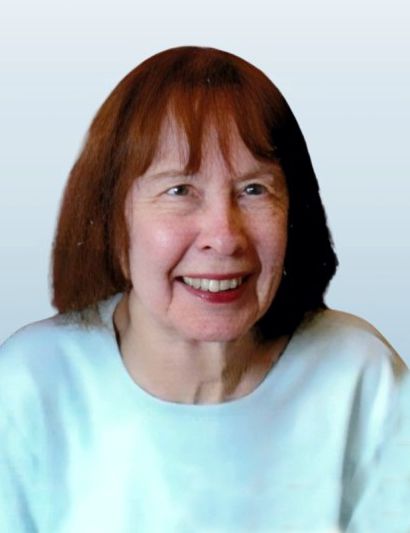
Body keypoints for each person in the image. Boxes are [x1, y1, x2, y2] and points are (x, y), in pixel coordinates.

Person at [0, 46, 407, 532]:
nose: (225, 236)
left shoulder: (361, 377)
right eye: (179, 191)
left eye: (254, 190)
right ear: (111, 218)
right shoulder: (30, 384)